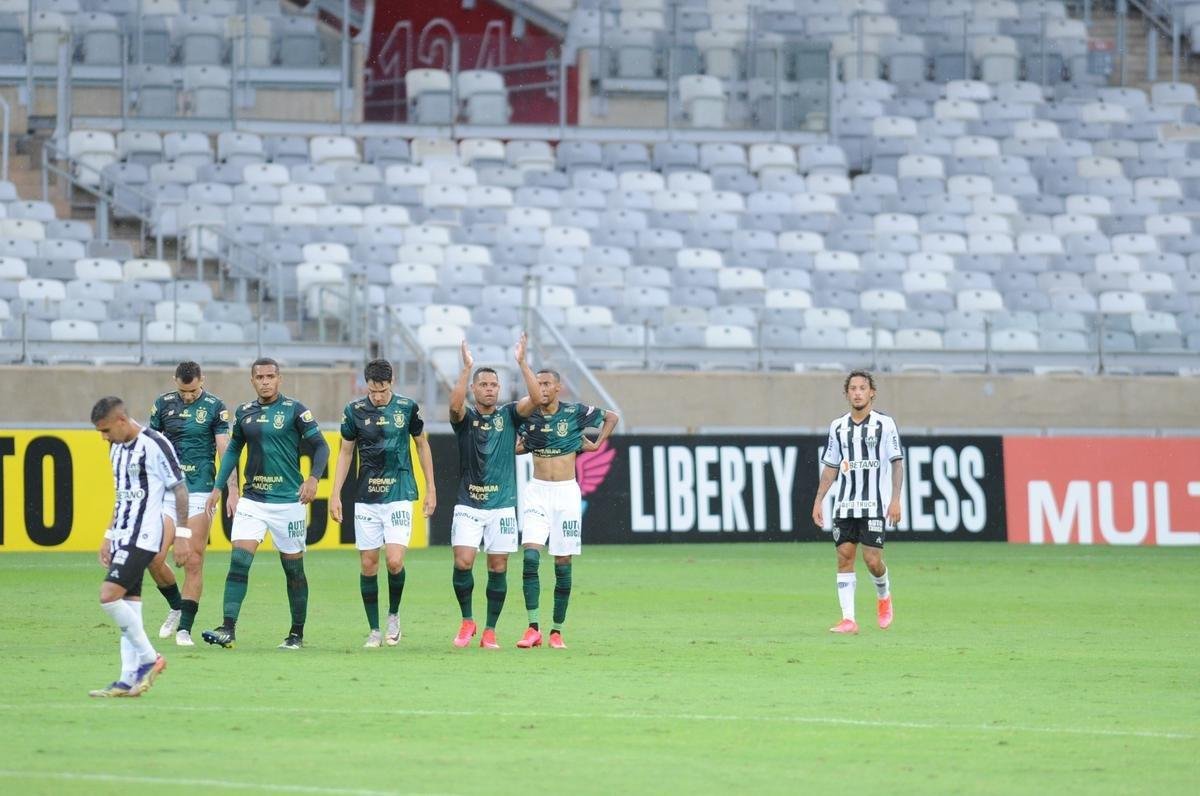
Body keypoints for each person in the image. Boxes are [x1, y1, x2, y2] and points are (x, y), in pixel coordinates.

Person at [201, 358, 329, 650]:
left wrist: (313, 479)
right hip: (253, 500)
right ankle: (228, 629)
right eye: (260, 377)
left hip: (288, 502)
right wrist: (219, 487)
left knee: (293, 569)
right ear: (252, 381)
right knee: (239, 561)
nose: (266, 381)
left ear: (279, 379)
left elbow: (322, 446)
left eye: (271, 376)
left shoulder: (296, 410)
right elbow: (233, 450)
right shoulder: (244, 412)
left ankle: (296, 634)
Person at [330, 359, 435, 648]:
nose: (378, 396)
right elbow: (346, 453)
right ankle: (374, 630)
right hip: (366, 498)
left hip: (399, 493)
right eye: (373, 391)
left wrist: (431, 489)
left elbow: (422, 445)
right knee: (368, 565)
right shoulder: (354, 411)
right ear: (366, 384)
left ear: (392, 383)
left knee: (394, 560)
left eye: (383, 390)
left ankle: (393, 616)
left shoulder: (407, 407)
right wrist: (336, 493)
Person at [514, 365, 619, 649]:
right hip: (536, 492)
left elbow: (612, 417)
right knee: (531, 557)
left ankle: (556, 631)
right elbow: (515, 444)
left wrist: (596, 445)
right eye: (538, 384)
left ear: (558, 387)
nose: (542, 389)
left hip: (566, 494)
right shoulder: (527, 414)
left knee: (563, 561)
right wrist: (521, 446)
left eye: (547, 384)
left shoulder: (574, 412)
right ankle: (533, 627)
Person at [446, 334, 539, 649]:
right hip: (469, 503)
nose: (489, 389)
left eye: (493, 385)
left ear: (499, 389)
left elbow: (538, 399)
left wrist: (523, 363)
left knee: (498, 567)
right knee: (463, 562)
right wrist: (465, 368)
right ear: (474, 389)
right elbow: (454, 405)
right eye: (482, 384)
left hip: (501, 505)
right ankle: (467, 620)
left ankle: (489, 630)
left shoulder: (509, 415)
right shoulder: (465, 418)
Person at [89, 396, 184, 697]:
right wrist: (109, 533)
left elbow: (180, 490)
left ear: (121, 420)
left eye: (105, 430)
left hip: (144, 535)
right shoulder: (115, 448)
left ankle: (149, 659)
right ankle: (127, 679)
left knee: (108, 596)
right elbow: (122, 495)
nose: (104, 437)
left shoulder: (155, 444)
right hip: (123, 534)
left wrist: (182, 535)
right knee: (129, 605)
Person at [146, 361, 237, 646]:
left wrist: (231, 487)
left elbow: (225, 448)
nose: (188, 396)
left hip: (200, 490)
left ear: (202, 381)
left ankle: (184, 628)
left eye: (193, 390)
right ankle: (176, 604)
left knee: (194, 559)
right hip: (168, 491)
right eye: (183, 391)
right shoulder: (162, 405)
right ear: (175, 381)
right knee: (153, 557)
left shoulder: (214, 406)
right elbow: (153, 446)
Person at [811, 370, 903, 635]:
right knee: (844, 557)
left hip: (874, 503)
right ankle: (849, 619)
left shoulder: (884, 425)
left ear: (872, 392)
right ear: (847, 393)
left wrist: (895, 500)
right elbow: (830, 467)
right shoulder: (837, 427)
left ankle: (884, 595)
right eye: (853, 388)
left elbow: (898, 462)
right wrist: (819, 500)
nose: (858, 392)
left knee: (872, 560)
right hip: (845, 504)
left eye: (863, 388)